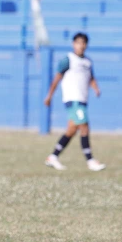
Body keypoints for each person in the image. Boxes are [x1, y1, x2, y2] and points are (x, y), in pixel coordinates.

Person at [44, 33, 105, 172]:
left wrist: (96, 88)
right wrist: (49, 96)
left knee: (71, 130)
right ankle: (90, 161)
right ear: (73, 44)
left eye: (83, 43)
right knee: (84, 127)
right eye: (78, 42)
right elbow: (56, 79)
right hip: (72, 99)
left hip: (83, 100)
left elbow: (91, 77)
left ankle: (53, 157)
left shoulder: (88, 62)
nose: (81, 46)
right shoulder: (68, 60)